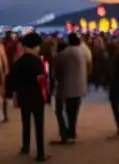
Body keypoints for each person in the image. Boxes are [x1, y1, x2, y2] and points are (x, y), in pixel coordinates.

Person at [8, 32, 49, 162]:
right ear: (35, 46)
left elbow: (12, 81)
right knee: (38, 124)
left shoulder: (19, 62)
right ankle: (40, 153)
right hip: (36, 96)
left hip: (23, 96)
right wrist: (46, 95)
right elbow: (42, 80)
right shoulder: (37, 61)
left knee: (25, 122)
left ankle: (25, 146)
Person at [51, 32, 88, 144]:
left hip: (66, 87)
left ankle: (65, 134)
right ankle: (72, 132)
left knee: (60, 111)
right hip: (79, 86)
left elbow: (56, 73)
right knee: (73, 112)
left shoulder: (63, 54)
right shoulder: (83, 52)